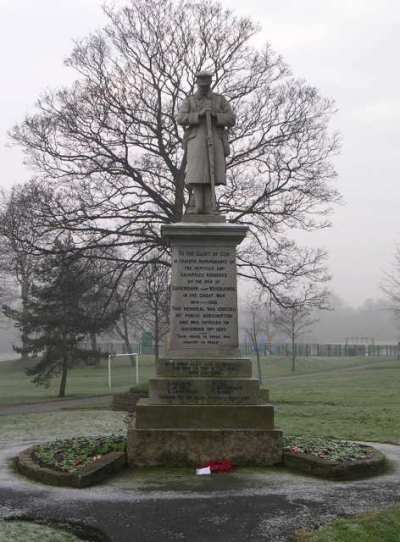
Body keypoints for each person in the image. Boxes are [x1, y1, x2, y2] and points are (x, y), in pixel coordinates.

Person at [176, 71, 235, 215]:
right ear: (197, 83)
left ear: (210, 83)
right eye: (201, 84)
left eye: (206, 84)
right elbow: (180, 118)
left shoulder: (219, 100)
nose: (203, 87)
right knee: (197, 172)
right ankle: (198, 205)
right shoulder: (190, 100)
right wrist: (199, 115)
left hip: (215, 138)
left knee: (211, 171)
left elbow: (231, 119)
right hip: (196, 139)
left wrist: (216, 115)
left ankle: (209, 205)